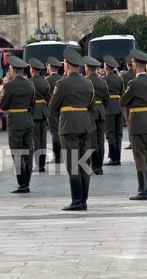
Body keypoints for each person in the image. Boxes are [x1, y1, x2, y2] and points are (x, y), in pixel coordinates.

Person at [49, 48, 96, 211]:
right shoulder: (88, 83)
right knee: (84, 163)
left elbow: (53, 106)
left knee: (73, 163)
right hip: (86, 124)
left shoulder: (61, 84)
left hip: (68, 125)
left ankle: (76, 200)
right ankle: (83, 199)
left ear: (66, 66)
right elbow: (92, 105)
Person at [120, 49, 147, 201]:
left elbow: (123, 101)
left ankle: (143, 190)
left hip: (137, 123)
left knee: (140, 156)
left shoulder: (133, 83)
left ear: (135, 64)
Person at [0, 56, 35, 194]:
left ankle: (22, 184)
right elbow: (32, 104)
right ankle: (27, 182)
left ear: (13, 69)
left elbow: (3, 105)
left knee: (17, 153)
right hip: (27, 118)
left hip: (14, 120)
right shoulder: (30, 84)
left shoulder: (9, 85)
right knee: (28, 152)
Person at [84, 56, 109, 175]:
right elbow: (107, 99)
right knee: (100, 139)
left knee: (92, 140)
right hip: (101, 111)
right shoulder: (103, 81)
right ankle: (99, 165)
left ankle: (95, 165)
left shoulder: (85, 81)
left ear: (87, 68)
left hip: (90, 112)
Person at [28, 58, 51, 173]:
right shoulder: (45, 82)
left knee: (35, 139)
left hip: (34, 111)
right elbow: (48, 97)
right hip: (43, 110)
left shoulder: (29, 82)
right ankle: (42, 163)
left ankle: (38, 164)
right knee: (43, 139)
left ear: (32, 69)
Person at [102, 55, 125, 166]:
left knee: (110, 134)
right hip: (119, 106)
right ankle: (118, 157)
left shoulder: (104, 80)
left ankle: (114, 158)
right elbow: (122, 92)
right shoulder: (119, 79)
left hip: (109, 107)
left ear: (106, 67)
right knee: (118, 134)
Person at [45, 56, 63, 164]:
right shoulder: (62, 79)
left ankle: (57, 156)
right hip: (63, 109)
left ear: (50, 67)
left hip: (51, 109)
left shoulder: (47, 81)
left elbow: (45, 95)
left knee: (54, 132)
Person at [121, 55, 136, 150]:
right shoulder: (136, 75)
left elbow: (122, 90)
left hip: (127, 102)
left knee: (129, 122)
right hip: (138, 101)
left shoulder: (124, 76)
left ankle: (132, 141)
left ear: (127, 65)